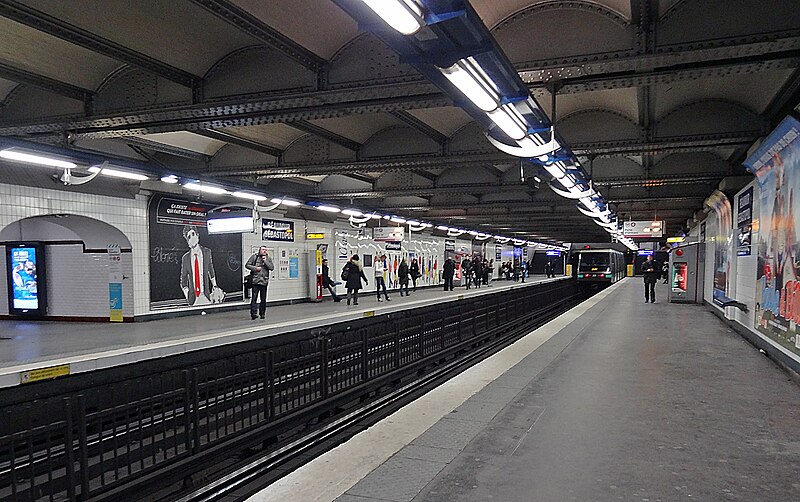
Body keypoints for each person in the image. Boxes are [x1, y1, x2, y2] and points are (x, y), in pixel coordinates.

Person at [180, 225, 224, 306]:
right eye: (189, 237)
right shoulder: (185, 258)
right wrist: (187, 295)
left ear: (197, 235)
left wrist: (215, 286)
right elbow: (183, 280)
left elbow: (210, 270)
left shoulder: (206, 252)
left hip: (205, 295)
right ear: (187, 241)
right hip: (193, 299)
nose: (192, 238)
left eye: (193, 234)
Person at [245, 246, 274, 320]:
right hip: (255, 281)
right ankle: (253, 314)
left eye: (265, 250)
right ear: (259, 250)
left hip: (264, 281)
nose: (264, 251)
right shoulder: (254, 257)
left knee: (263, 299)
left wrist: (265, 261)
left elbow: (271, 268)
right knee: (254, 298)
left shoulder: (268, 259)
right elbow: (247, 265)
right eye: (263, 249)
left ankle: (262, 313)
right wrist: (255, 268)